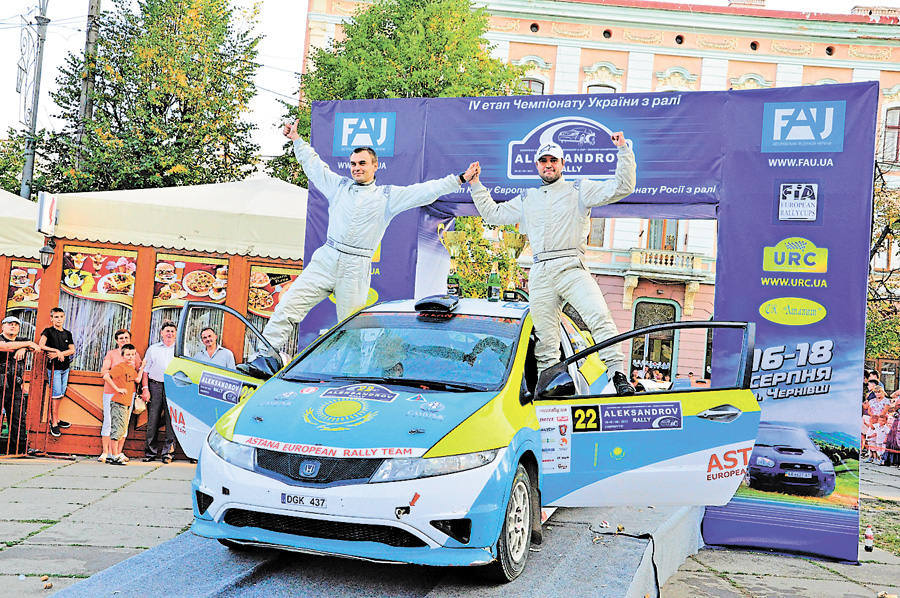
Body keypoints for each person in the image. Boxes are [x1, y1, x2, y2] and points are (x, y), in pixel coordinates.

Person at [263, 120, 479, 350]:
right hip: (326, 258)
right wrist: (297, 140)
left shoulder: (387, 197)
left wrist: (460, 179)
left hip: (356, 267)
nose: (357, 167)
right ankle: (263, 356)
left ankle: (352, 378)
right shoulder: (339, 186)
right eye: (353, 163)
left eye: (362, 163)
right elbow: (315, 166)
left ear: (375, 166)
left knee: (351, 331)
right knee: (287, 306)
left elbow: (425, 191)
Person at [469, 134, 636, 391]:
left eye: (553, 160)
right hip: (540, 270)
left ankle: (617, 376)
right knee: (546, 340)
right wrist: (477, 184)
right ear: (537, 165)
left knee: (599, 317)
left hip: (571, 265)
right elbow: (494, 213)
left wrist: (623, 151)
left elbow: (622, 187)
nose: (549, 164)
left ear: (563, 163)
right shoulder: (528, 198)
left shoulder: (579, 189)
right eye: (544, 160)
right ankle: (551, 386)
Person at [98, 329, 142, 463]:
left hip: (128, 393)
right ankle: (106, 452)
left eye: (126, 338)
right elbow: (104, 371)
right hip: (111, 392)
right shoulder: (112, 354)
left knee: (124, 422)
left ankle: (118, 452)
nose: (124, 340)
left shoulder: (134, 354)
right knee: (109, 421)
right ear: (117, 341)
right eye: (121, 338)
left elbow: (138, 373)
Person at [1, 316, 41, 454]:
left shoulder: (22, 341)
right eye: (10, 324)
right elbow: (4, 346)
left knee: (18, 417)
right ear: (3, 327)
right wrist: (25, 345)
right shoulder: (1, 338)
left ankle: (18, 449)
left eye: (16, 325)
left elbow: (37, 348)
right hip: (0, 383)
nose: (13, 327)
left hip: (15, 384)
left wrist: (25, 348)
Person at [140, 322, 177, 463]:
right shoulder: (153, 349)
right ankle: (150, 453)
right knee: (153, 420)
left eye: (172, 331)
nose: (169, 333)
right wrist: (145, 389)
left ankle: (168, 453)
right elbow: (145, 370)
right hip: (155, 386)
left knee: (171, 421)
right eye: (167, 331)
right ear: (161, 333)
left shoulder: (180, 349)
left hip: (173, 387)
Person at [39, 307, 75, 438]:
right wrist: (56, 351)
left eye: (61, 316)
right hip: (54, 368)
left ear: (64, 318)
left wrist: (60, 353)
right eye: (56, 317)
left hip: (65, 367)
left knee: (60, 394)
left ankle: (57, 419)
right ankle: (53, 422)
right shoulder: (48, 331)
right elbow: (41, 345)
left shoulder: (67, 333)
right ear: (51, 318)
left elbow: (72, 350)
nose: (59, 319)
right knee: (55, 395)